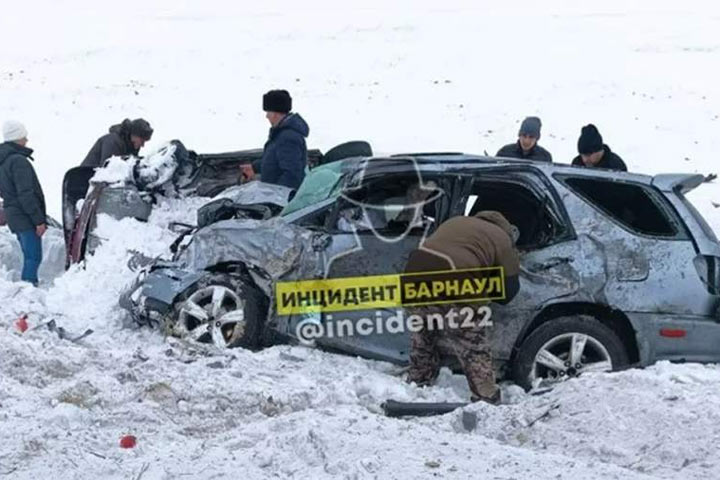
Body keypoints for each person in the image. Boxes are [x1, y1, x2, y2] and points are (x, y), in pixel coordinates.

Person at [404, 211, 521, 404]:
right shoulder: (502, 238)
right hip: (456, 281)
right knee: (473, 344)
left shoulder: (457, 221)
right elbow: (508, 293)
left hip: (415, 275)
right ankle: (486, 396)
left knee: (424, 333)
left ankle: (419, 380)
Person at [0, 121, 47, 286]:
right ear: (16, 138)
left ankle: (27, 288)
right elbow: (26, 194)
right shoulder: (18, 161)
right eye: (23, 136)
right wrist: (38, 220)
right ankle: (27, 290)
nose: (26, 140)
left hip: (14, 214)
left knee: (29, 255)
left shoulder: (3, 161)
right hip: (24, 215)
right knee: (33, 256)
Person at [245, 90, 309, 189]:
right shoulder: (282, 134)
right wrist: (255, 167)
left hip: (282, 200)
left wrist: (274, 196)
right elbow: (276, 160)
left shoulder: (288, 138)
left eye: (268, 112)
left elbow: (292, 174)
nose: (266, 116)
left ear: (275, 114)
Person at [81, 118, 153, 168]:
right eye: (142, 141)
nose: (143, 145)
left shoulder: (131, 145)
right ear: (134, 135)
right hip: (85, 183)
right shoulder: (113, 142)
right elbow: (107, 171)